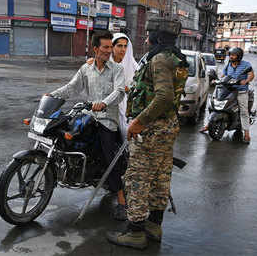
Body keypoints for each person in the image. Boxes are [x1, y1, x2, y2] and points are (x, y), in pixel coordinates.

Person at [106, 17, 189, 250]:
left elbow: (163, 96)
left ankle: (135, 233)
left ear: (157, 37)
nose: (146, 38)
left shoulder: (160, 59)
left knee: (137, 179)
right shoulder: (176, 57)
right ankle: (154, 226)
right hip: (166, 127)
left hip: (152, 130)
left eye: (149, 34)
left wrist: (139, 122)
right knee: (160, 177)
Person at [48, 31, 127, 220]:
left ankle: (122, 201)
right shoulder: (86, 68)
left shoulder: (117, 69)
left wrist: (104, 103)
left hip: (107, 119)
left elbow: (119, 92)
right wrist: (51, 95)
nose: (109, 51)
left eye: (110, 47)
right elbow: (72, 87)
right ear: (95, 49)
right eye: (105, 47)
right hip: (89, 115)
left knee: (110, 156)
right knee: (65, 135)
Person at [87, 32, 139, 139]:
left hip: (125, 104)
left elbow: (138, 87)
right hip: (104, 104)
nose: (123, 49)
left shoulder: (133, 66)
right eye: (119, 46)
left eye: (125, 46)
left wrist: (128, 89)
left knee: (126, 133)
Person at [199, 47, 254, 143]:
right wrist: (218, 81)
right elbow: (224, 75)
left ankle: (246, 135)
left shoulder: (246, 65)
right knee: (213, 106)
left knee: (243, 112)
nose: (231, 57)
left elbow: (251, 75)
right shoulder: (228, 64)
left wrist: (246, 81)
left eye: (233, 55)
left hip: (241, 91)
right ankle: (209, 125)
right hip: (227, 89)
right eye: (230, 55)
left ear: (239, 56)